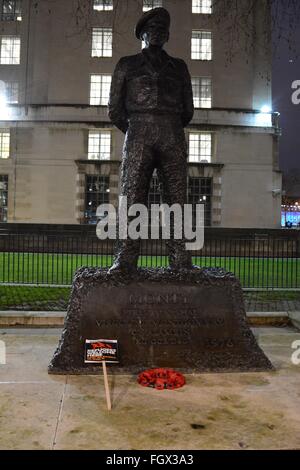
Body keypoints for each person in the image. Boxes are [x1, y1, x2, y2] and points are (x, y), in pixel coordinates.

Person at [108, 7, 194, 273]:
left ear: (167, 36)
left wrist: (167, 125)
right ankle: (125, 258)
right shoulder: (127, 64)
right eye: (151, 30)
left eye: (161, 30)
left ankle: (180, 258)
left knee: (177, 197)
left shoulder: (179, 67)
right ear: (143, 35)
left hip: (171, 132)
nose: (156, 34)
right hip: (138, 132)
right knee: (132, 195)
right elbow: (114, 109)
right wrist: (135, 128)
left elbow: (188, 109)